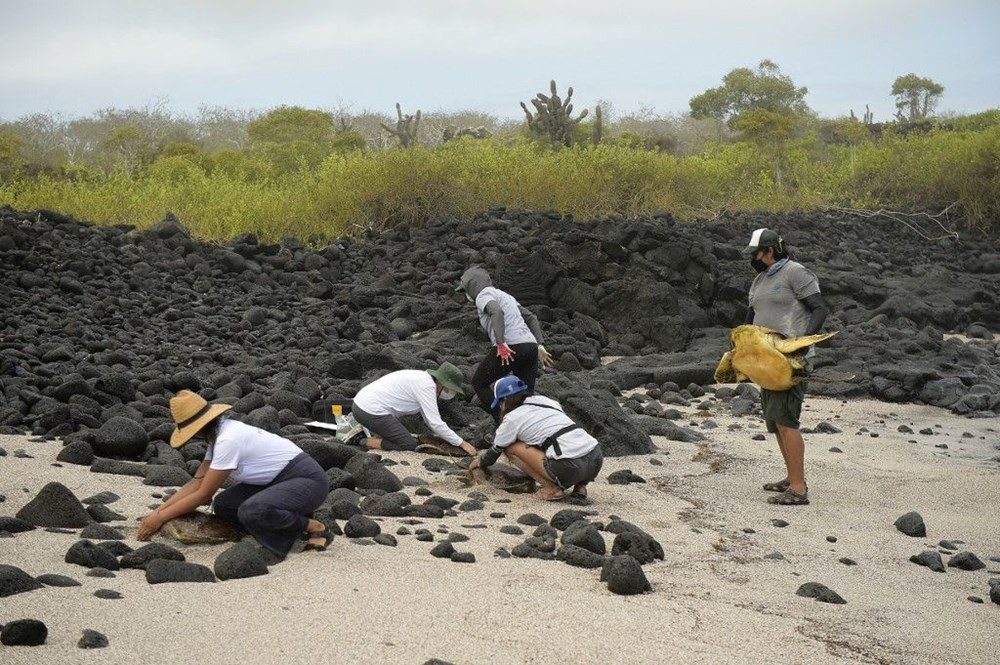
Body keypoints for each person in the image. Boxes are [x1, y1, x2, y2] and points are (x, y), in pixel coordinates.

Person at [137, 390, 332, 557]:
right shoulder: (218, 436)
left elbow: (203, 494)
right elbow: (195, 483)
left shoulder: (227, 440)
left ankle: (314, 527)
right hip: (276, 482)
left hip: (307, 481)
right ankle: (279, 523)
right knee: (225, 505)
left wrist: (160, 518)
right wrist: (158, 513)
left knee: (252, 510)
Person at [742, 228, 830, 506]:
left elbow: (820, 309)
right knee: (776, 421)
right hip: (766, 361)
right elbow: (751, 316)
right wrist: (741, 346)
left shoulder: (796, 273)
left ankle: (799, 488)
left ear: (769, 252)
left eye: (755, 253)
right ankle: (792, 476)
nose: (752, 259)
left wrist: (802, 344)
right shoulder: (759, 280)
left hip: (791, 360)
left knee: (786, 421)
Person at [468, 375, 603, 501]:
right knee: (558, 439)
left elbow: (494, 452)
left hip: (569, 466)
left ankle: (551, 489)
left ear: (503, 401)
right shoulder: (547, 401)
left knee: (511, 447)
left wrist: (479, 462)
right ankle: (580, 487)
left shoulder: (511, 419)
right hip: (595, 457)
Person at [456, 266, 553, 423]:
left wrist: (501, 343)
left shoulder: (483, 295)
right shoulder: (505, 296)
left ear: (472, 286)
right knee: (525, 394)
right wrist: (540, 344)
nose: (466, 295)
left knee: (479, 382)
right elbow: (531, 317)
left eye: (465, 290)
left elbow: (496, 312)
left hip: (511, 347)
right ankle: (528, 429)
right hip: (530, 347)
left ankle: (504, 423)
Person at [351, 361, 477, 455]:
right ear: (442, 383)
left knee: (402, 436)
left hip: (363, 405)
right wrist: (462, 443)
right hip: (369, 411)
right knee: (408, 444)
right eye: (449, 388)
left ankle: (373, 435)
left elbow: (429, 420)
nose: (449, 392)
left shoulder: (423, 379)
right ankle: (363, 441)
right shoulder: (427, 387)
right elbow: (435, 423)